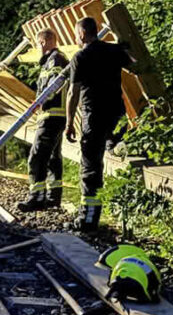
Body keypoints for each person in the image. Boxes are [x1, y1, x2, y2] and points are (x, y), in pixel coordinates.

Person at [64, 16, 134, 231]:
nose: (76, 38)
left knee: (90, 165)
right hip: (117, 113)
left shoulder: (81, 57)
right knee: (107, 147)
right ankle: (114, 143)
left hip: (93, 115)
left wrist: (69, 123)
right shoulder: (114, 51)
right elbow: (136, 67)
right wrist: (125, 47)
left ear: (82, 34)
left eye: (77, 34)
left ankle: (88, 219)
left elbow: (72, 93)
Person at [16, 28, 68, 212]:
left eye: (38, 45)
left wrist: (40, 101)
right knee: (53, 158)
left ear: (42, 42)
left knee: (36, 157)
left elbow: (55, 84)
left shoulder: (54, 60)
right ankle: (53, 198)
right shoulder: (55, 60)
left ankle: (36, 197)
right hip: (56, 116)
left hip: (51, 116)